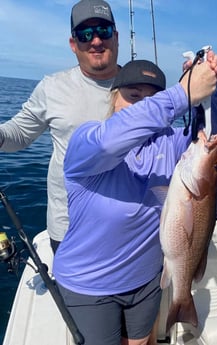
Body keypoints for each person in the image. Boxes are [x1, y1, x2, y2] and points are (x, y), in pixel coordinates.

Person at [53, 56, 217, 345]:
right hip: (89, 284)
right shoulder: (87, 140)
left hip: (146, 279)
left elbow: (214, 136)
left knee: (141, 342)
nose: (143, 104)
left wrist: (208, 90)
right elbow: (111, 140)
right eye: (134, 96)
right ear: (113, 98)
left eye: (152, 99)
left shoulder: (171, 143)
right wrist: (180, 94)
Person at [0, 0, 120, 253]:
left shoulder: (142, 86)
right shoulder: (52, 87)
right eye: (85, 34)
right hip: (70, 229)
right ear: (73, 44)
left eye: (103, 31)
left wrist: (198, 95)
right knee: (76, 293)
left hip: (132, 228)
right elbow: (19, 134)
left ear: (116, 37)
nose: (96, 41)